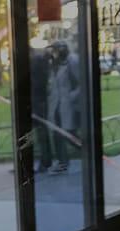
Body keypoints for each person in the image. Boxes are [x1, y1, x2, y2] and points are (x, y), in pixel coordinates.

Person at [46, 41, 81, 173]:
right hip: (56, 106)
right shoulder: (56, 65)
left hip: (67, 105)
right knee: (57, 134)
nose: (53, 53)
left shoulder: (72, 63)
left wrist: (71, 97)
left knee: (69, 135)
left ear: (61, 51)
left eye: (55, 50)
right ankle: (62, 163)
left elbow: (81, 83)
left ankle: (89, 151)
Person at [30, 49, 52, 173]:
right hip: (37, 101)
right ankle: (45, 161)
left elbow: (39, 83)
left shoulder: (35, 61)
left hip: (37, 102)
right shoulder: (36, 60)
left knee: (41, 133)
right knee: (40, 133)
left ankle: (45, 161)